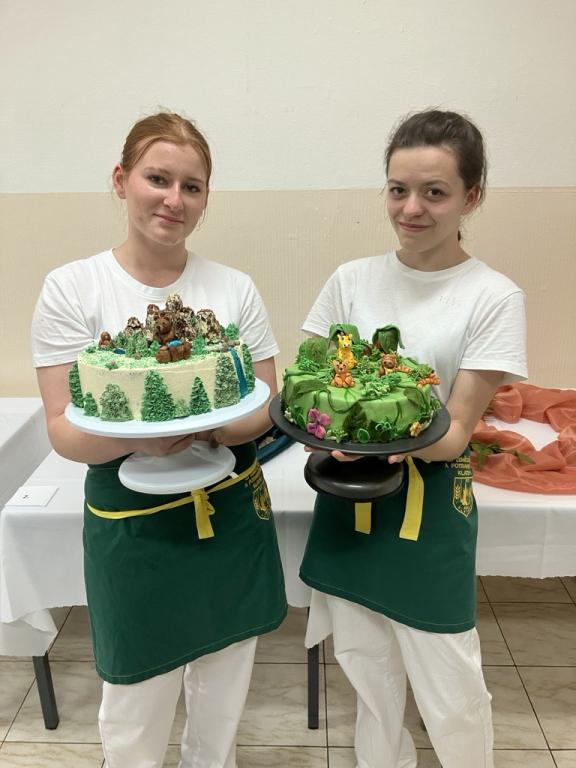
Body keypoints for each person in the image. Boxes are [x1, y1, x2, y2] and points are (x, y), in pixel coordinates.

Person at [31, 111, 287, 768]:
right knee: (136, 704)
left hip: (230, 513)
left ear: (205, 198)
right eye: (158, 179)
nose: (174, 199)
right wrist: (140, 441)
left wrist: (205, 425)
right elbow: (63, 428)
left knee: (223, 692)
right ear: (121, 180)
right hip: (133, 528)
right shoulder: (73, 288)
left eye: (191, 186)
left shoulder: (233, 288)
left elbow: (265, 403)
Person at [298, 109, 527, 768]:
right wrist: (324, 436)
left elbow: (454, 433)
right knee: (366, 672)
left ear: (471, 197)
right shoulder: (350, 280)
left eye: (434, 192)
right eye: (398, 190)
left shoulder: (492, 296)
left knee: (450, 684)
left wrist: (379, 441)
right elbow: (314, 390)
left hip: (430, 510)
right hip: (348, 499)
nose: (411, 209)